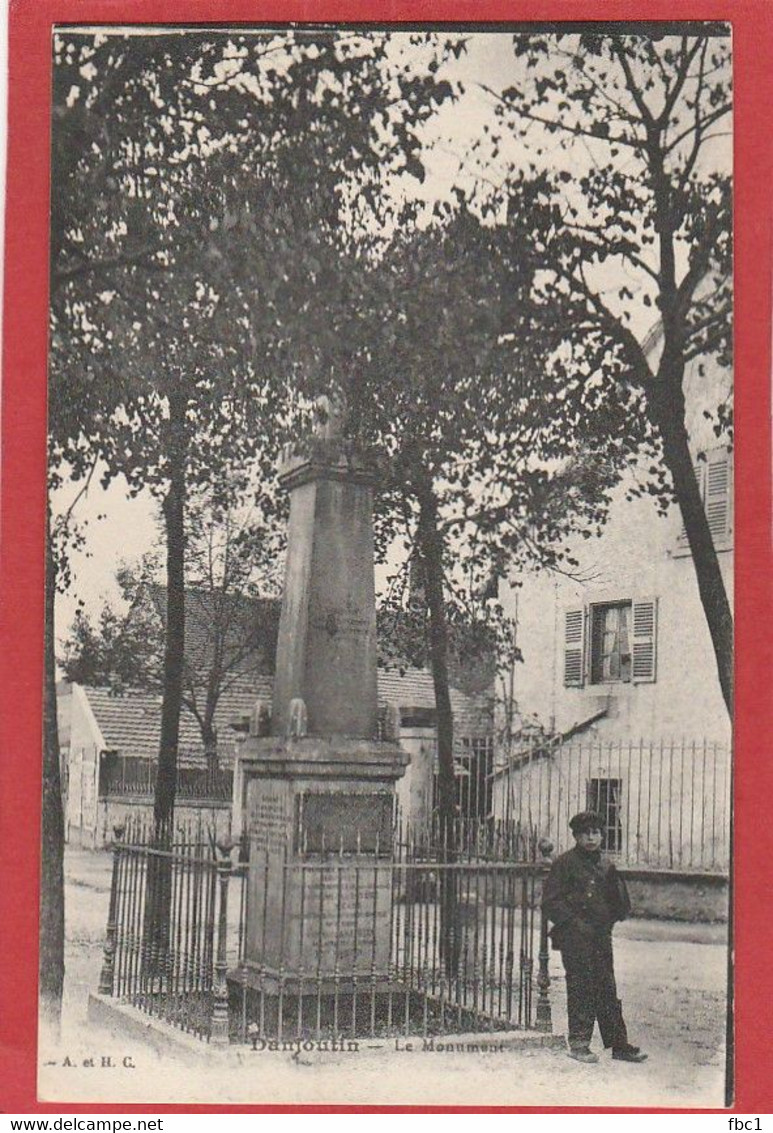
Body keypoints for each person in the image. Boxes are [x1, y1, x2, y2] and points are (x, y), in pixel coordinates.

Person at [542, 810, 648, 1065]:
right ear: (576, 836)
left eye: (596, 833)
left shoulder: (606, 865)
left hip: (600, 936)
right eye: (585, 833)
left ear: (601, 836)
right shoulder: (564, 864)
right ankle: (579, 1043)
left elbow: (618, 899)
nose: (591, 838)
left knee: (607, 987)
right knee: (580, 987)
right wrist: (574, 924)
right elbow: (550, 902)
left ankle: (619, 1045)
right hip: (574, 938)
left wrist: (611, 919)